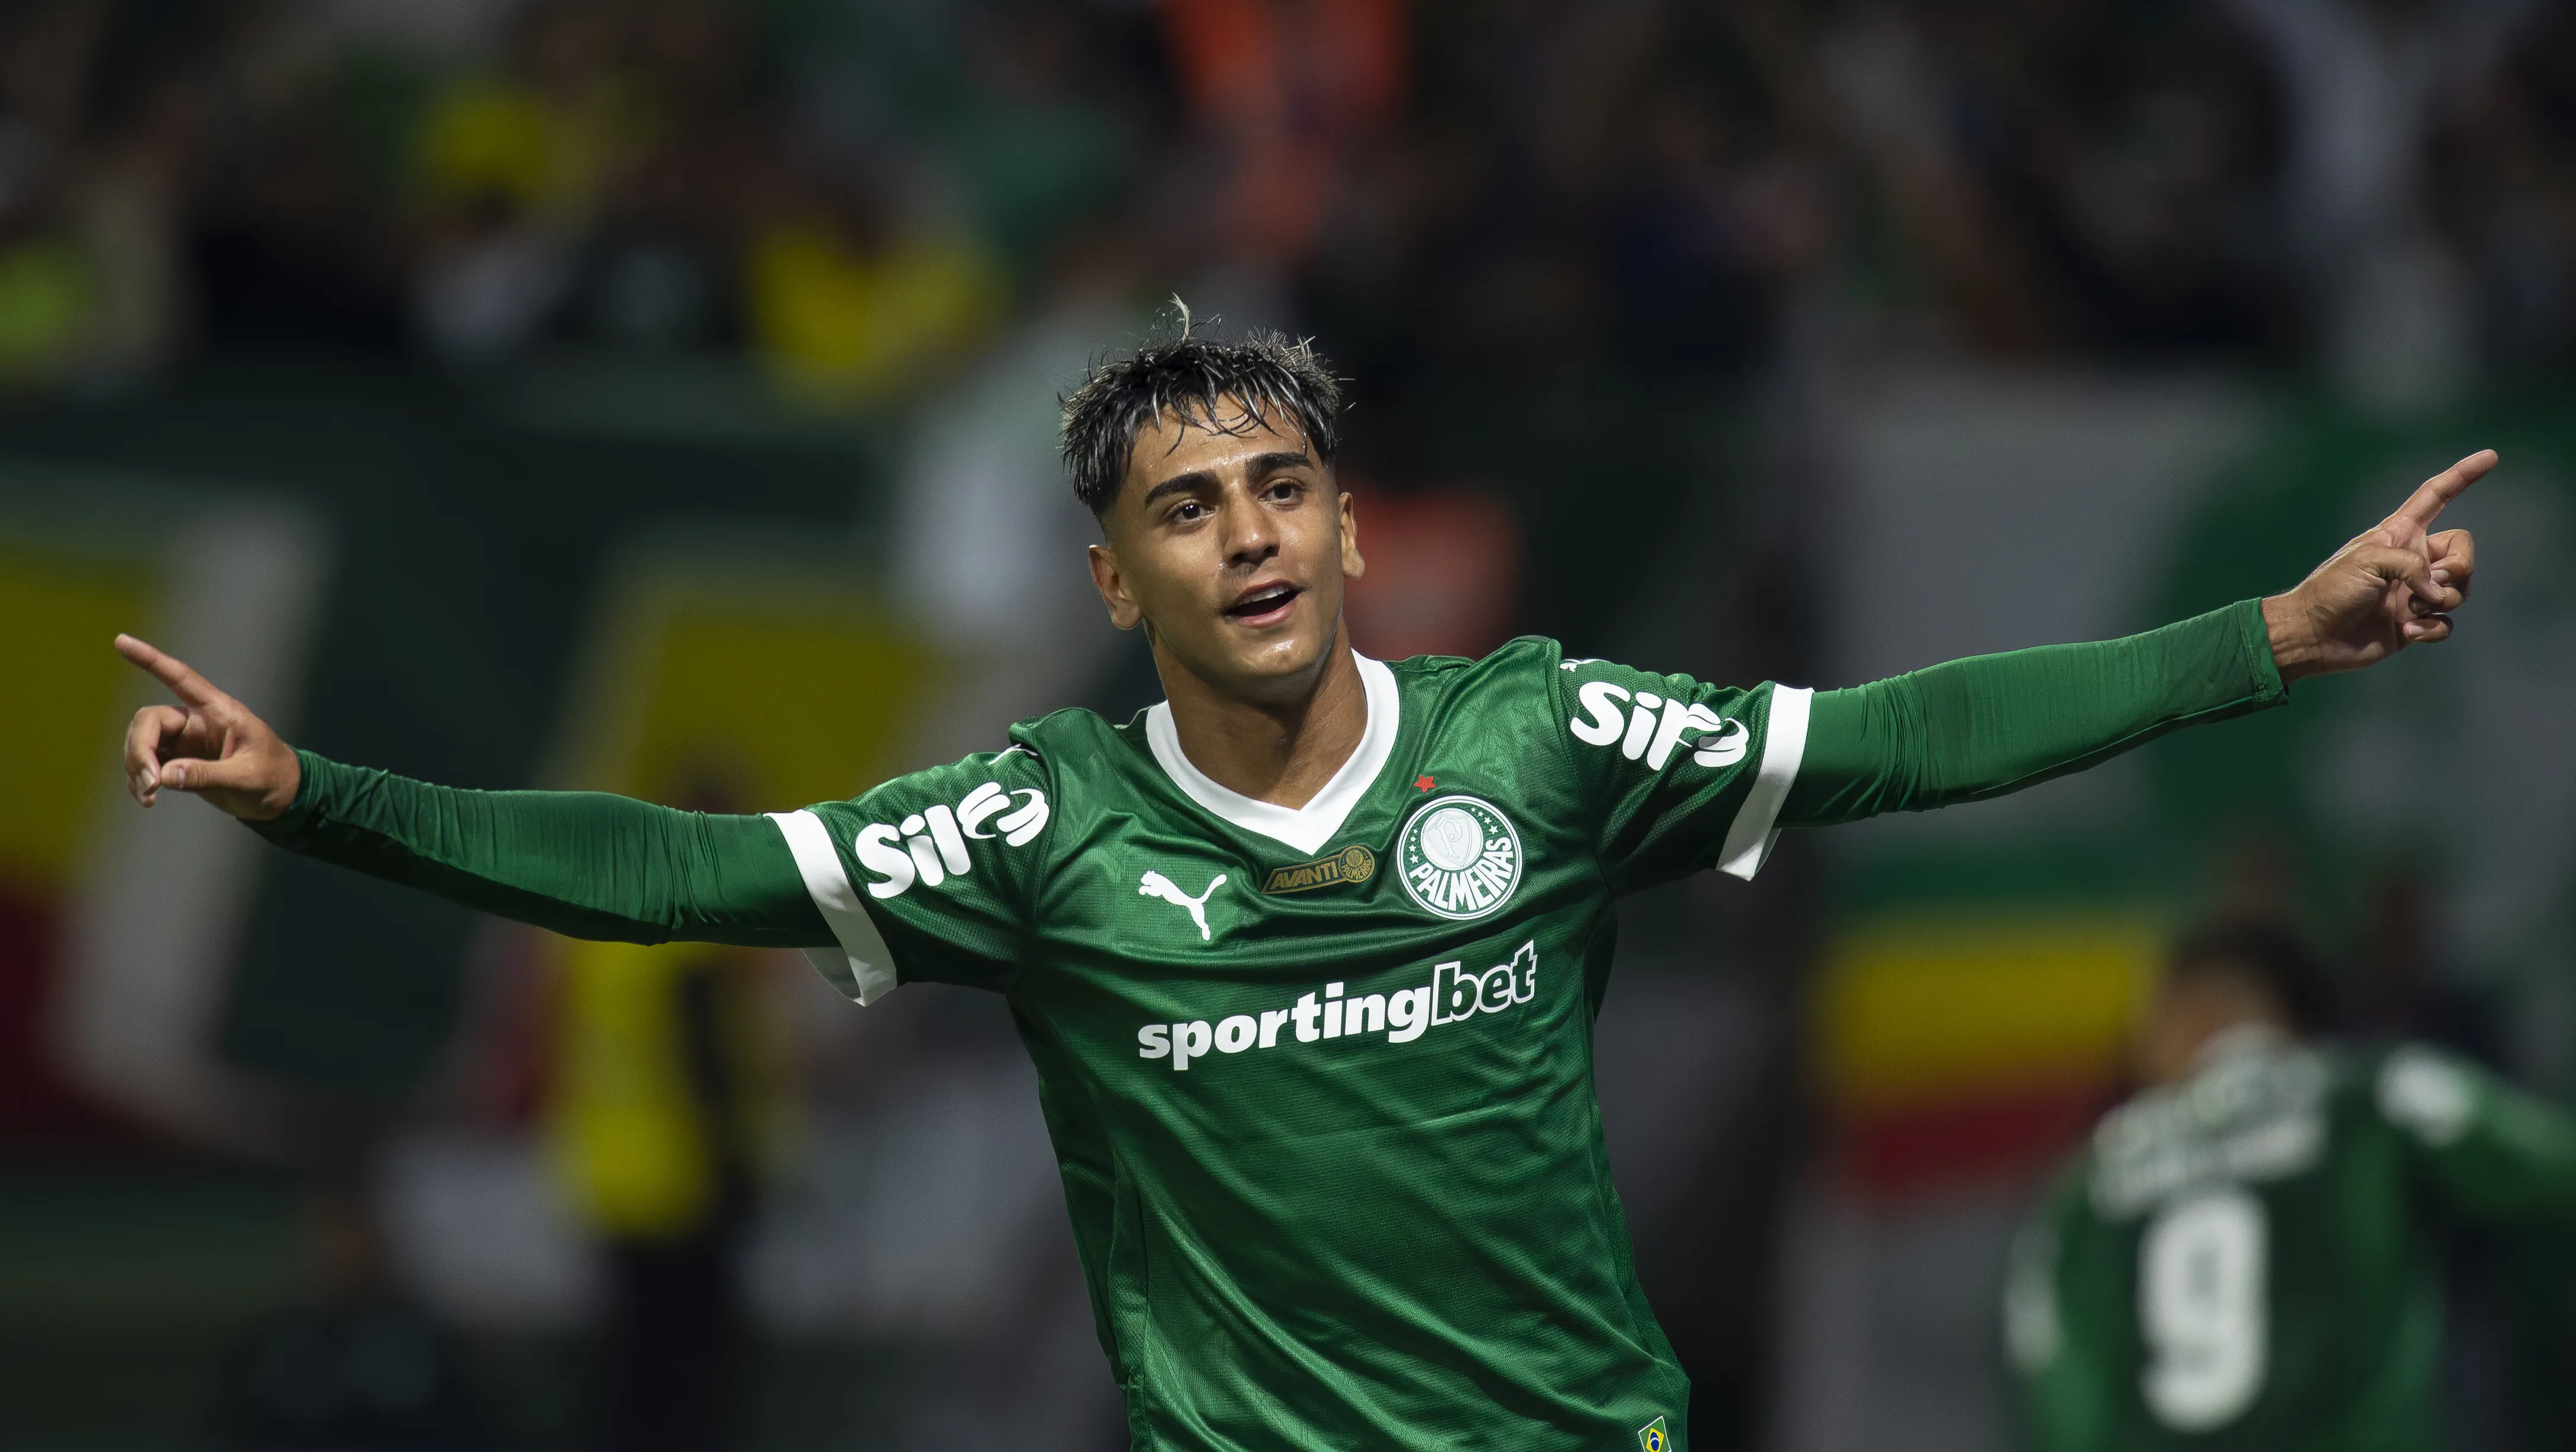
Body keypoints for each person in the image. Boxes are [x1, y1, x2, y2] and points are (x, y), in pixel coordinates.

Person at [117, 328, 2489, 1451]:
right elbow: (676, 871)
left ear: (1348, 529)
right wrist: (321, 791)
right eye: (1187, 504)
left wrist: (2261, 635)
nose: (1246, 529)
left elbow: (1895, 736)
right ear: (1115, 570)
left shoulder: (1540, 738)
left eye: (1280, 485)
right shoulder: (1042, 826)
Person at [2003, 918, 2576, 1452]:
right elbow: (2550, 1174)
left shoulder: (2080, 1192)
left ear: (2189, 1010)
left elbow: (2057, 1408)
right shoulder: (2376, 1096)